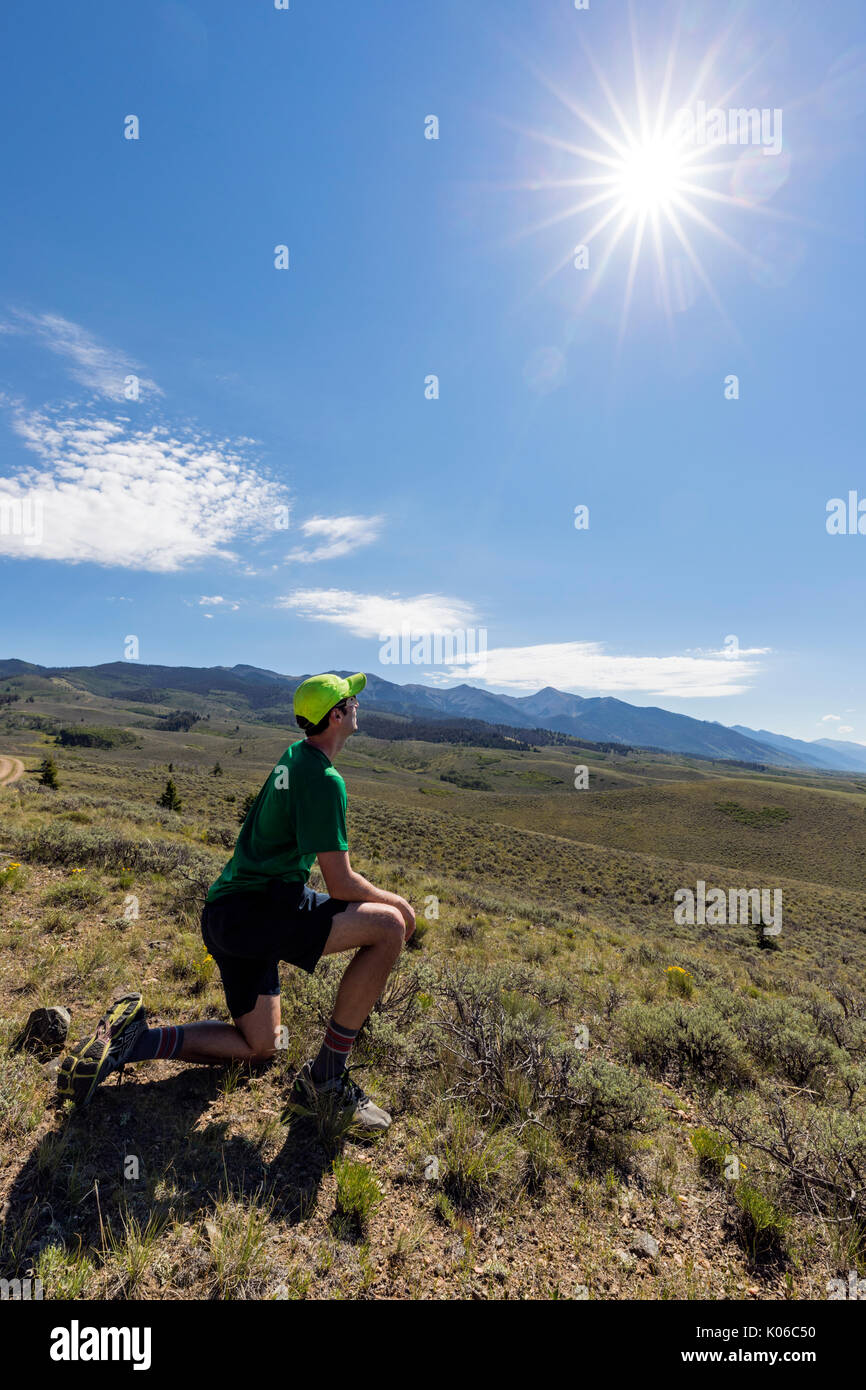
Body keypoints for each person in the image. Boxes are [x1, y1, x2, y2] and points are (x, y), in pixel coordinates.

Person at [57, 672, 415, 1131]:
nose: (358, 707)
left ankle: (134, 1043)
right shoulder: (325, 779)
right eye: (351, 701)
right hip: (261, 910)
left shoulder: (295, 755)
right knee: (387, 927)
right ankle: (326, 1081)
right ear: (336, 715)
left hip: (227, 914)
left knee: (260, 1046)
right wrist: (401, 905)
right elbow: (341, 882)